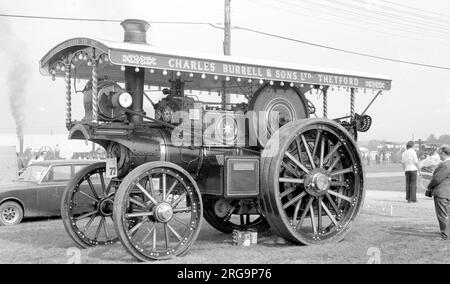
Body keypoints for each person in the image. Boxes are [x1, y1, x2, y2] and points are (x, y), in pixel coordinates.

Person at [426, 145, 450, 240]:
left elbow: (437, 179)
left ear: (444, 153)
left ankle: (445, 234)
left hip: (442, 193)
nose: (439, 154)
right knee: (447, 213)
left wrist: (428, 187)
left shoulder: (445, 165)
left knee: (442, 214)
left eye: (440, 152)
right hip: (447, 192)